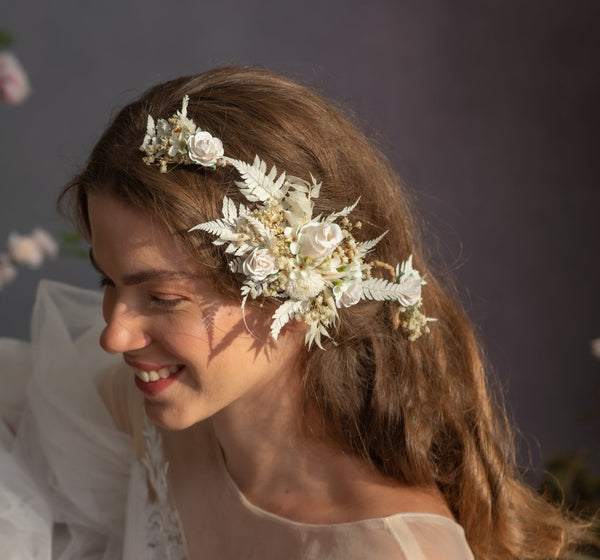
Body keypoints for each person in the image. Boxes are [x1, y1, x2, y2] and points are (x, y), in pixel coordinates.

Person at [0, 67, 592, 559]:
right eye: (109, 281)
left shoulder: (391, 550)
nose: (114, 334)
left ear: (300, 290)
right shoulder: (144, 421)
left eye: (164, 298)